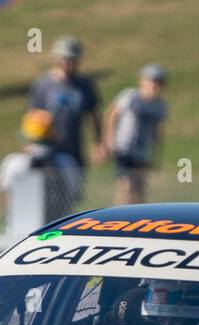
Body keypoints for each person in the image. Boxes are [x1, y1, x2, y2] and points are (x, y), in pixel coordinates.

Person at [0, 108, 83, 227]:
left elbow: (8, 199)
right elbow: (74, 196)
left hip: (19, 228)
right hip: (58, 228)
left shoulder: (14, 162)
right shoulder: (67, 162)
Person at [28, 36, 101, 169]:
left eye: (73, 60)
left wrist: (99, 144)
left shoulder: (84, 85)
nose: (69, 64)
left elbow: (94, 115)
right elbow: (32, 115)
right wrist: (30, 143)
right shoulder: (43, 85)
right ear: (56, 58)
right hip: (47, 150)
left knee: (73, 187)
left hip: (74, 149)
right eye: (66, 59)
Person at [102, 64, 168, 205]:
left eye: (158, 83)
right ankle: (118, 221)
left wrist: (156, 156)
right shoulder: (130, 96)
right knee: (125, 188)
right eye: (151, 81)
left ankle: (136, 223)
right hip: (123, 148)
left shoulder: (160, 106)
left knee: (140, 191)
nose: (154, 86)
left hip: (141, 152)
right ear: (142, 82)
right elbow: (112, 115)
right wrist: (108, 142)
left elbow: (157, 133)